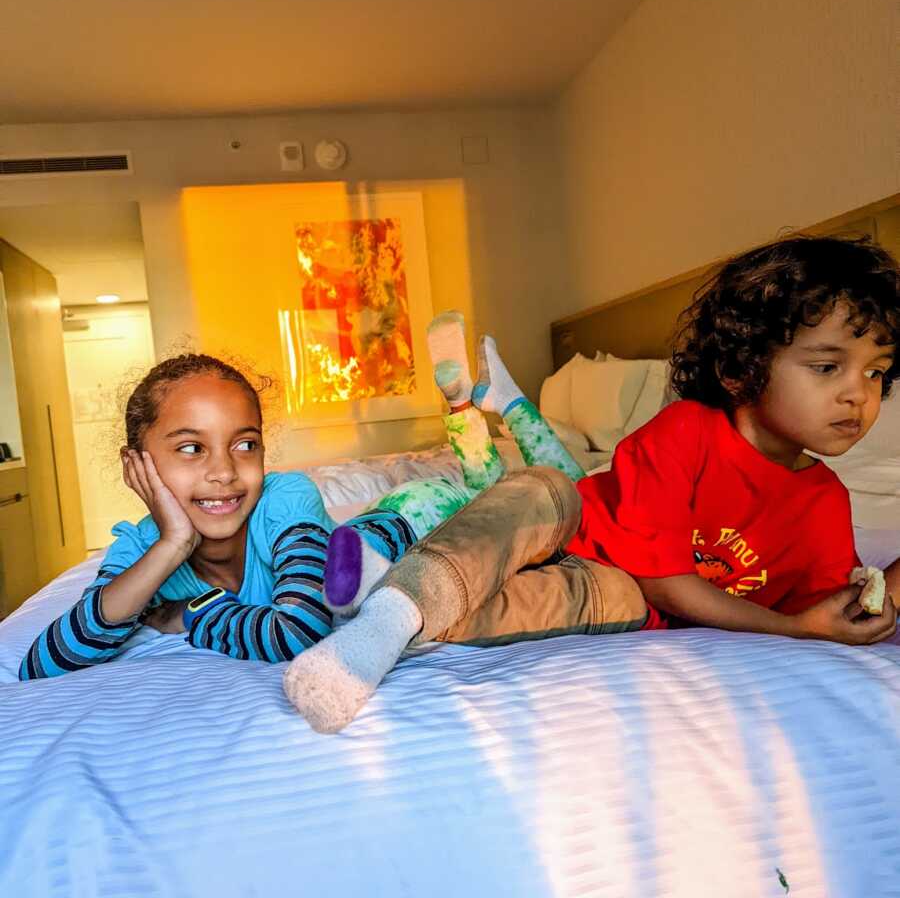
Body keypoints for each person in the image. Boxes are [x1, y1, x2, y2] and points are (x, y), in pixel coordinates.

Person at [284, 235, 900, 733]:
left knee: (546, 606)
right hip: (575, 528)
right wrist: (794, 630)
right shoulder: (689, 430)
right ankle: (385, 618)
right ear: (741, 369)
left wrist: (846, 613)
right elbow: (671, 581)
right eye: (827, 367)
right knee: (541, 486)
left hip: (626, 595)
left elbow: (831, 614)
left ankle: (391, 601)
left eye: (878, 373)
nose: (859, 393)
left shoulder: (824, 500)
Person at [20, 339, 576, 680]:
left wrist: (193, 613)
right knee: (504, 487)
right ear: (137, 464)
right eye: (191, 448)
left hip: (415, 518)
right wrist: (171, 547)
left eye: (245, 444)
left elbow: (301, 630)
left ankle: (505, 405)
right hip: (375, 538)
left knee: (563, 497)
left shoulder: (286, 498)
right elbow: (44, 662)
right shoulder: (141, 547)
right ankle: (468, 412)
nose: (224, 471)